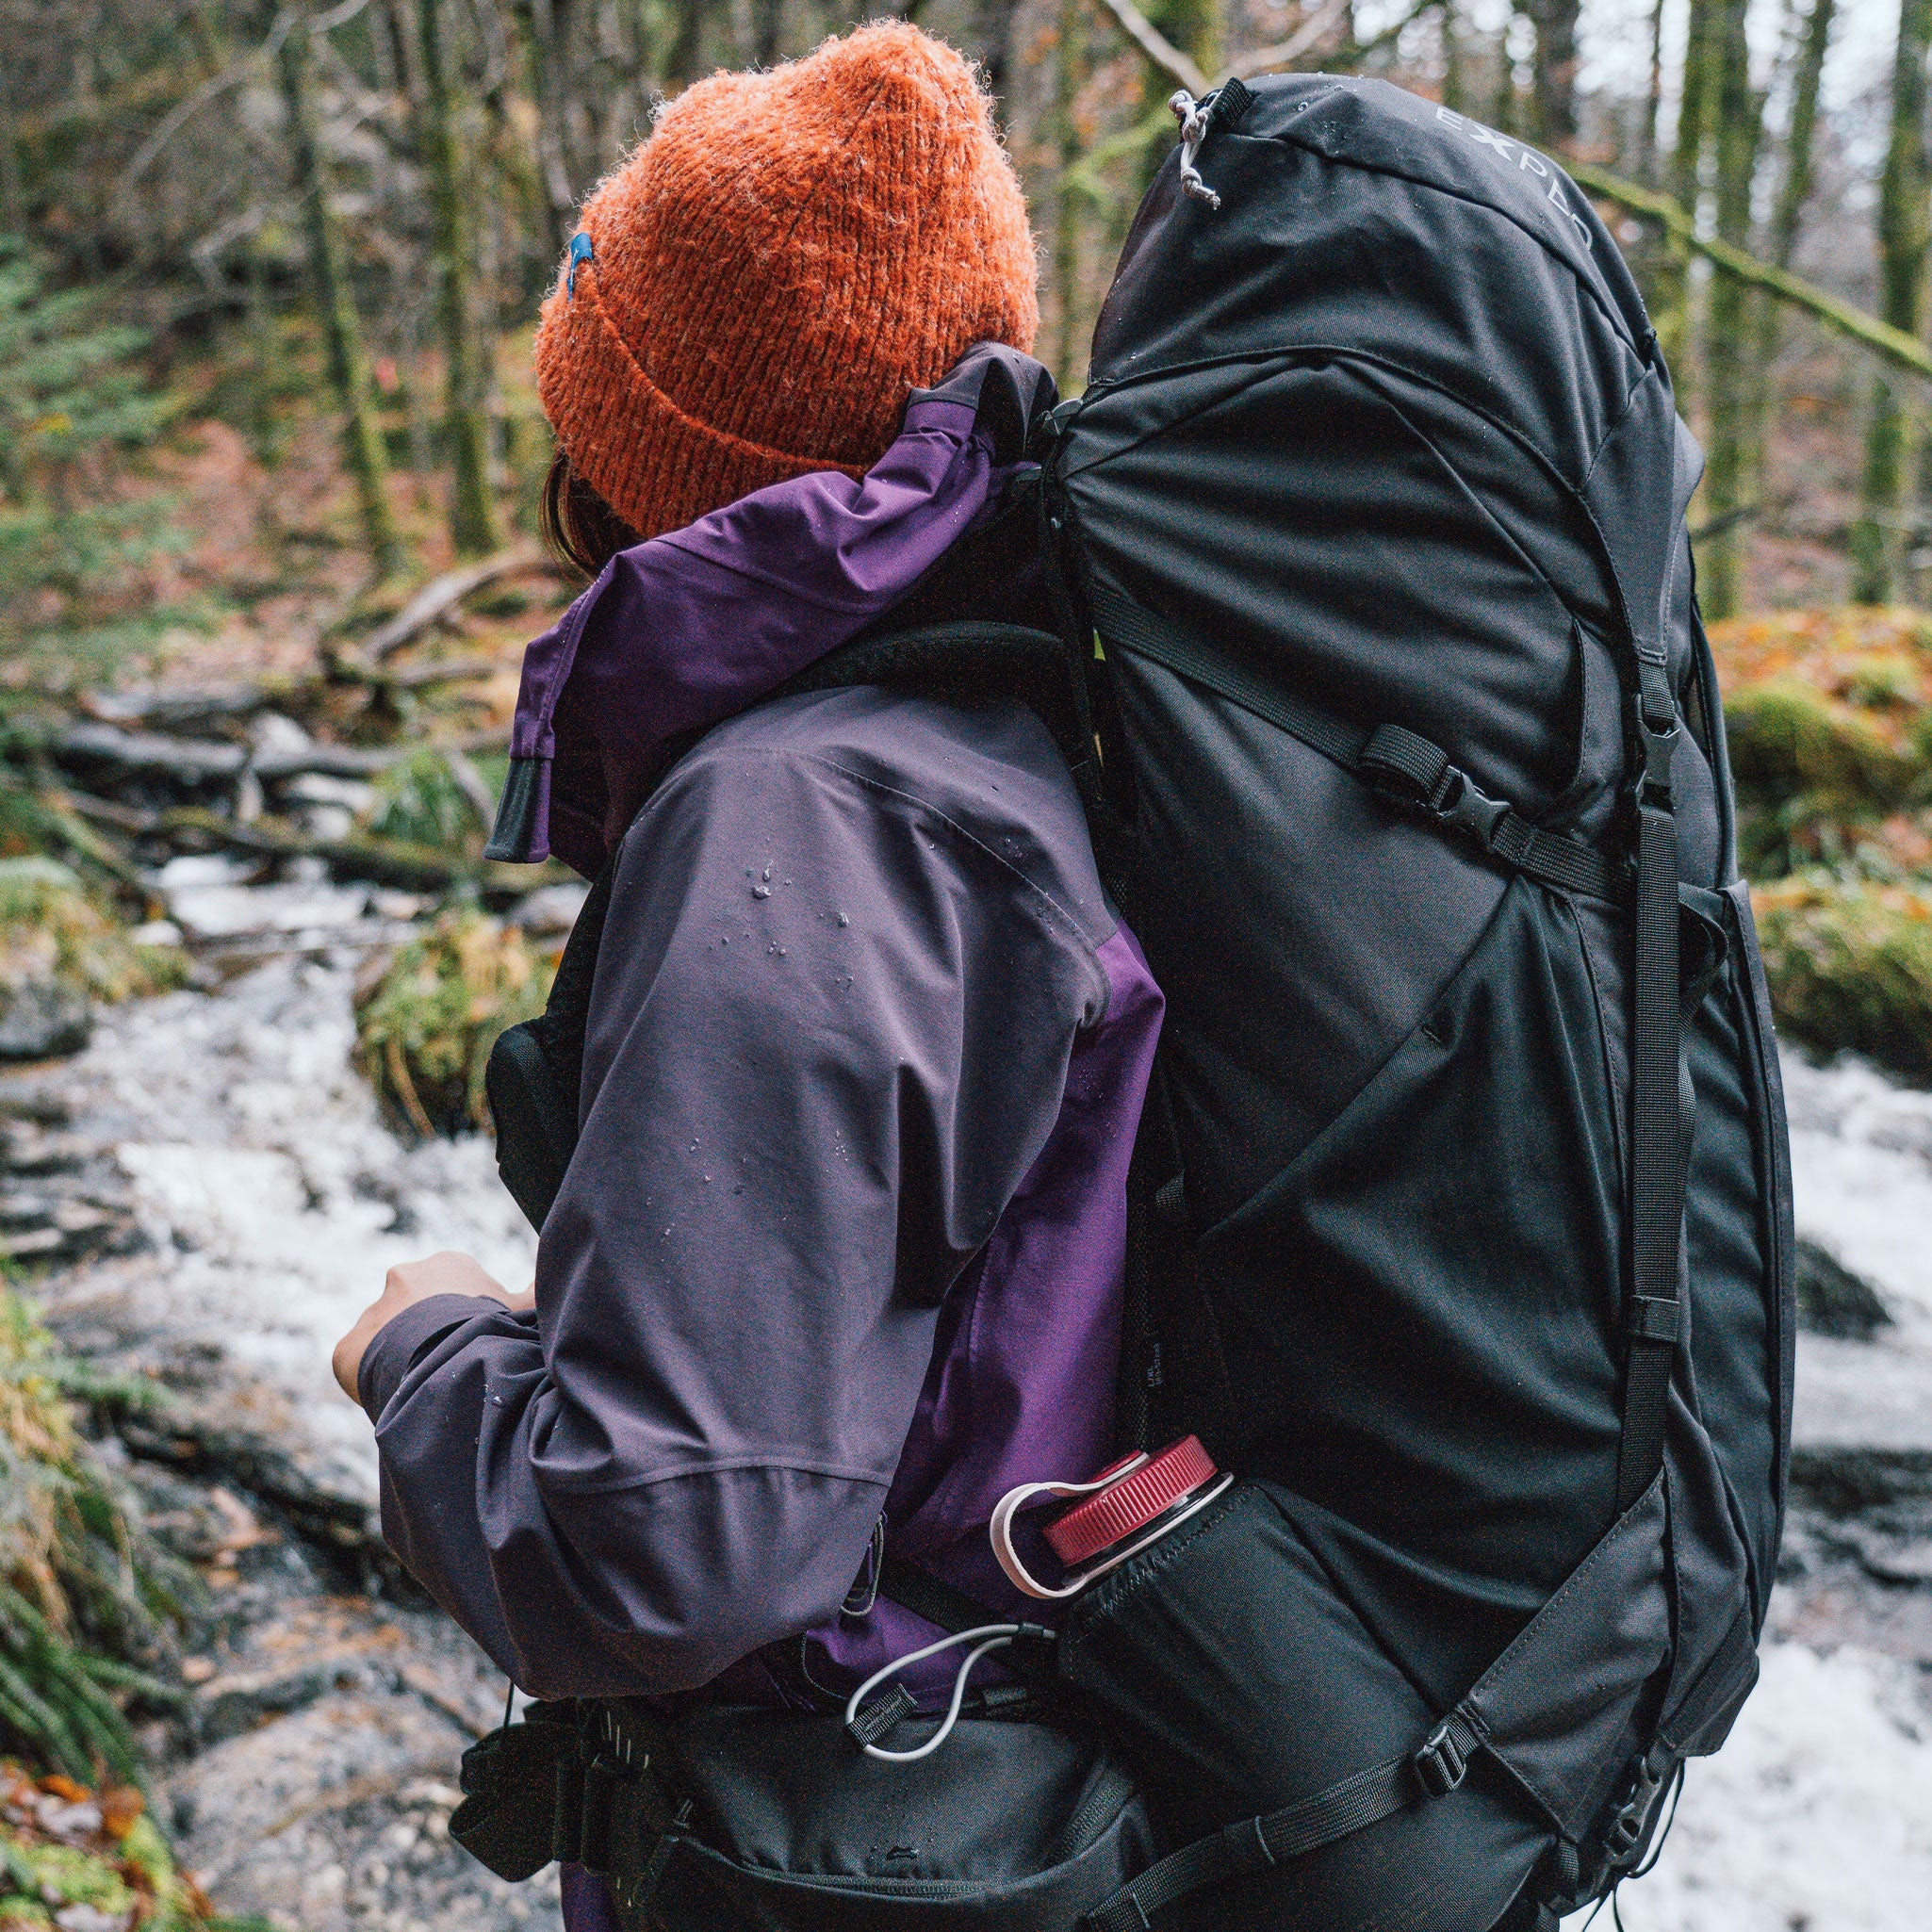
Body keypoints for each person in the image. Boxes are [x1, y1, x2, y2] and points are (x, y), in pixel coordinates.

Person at [329, 23, 1163, 1928]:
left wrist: (424, 1346)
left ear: (644, 454)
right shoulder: (1003, 726)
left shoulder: (803, 816)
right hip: (1006, 1786)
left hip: (851, 1824)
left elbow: (666, 1554)